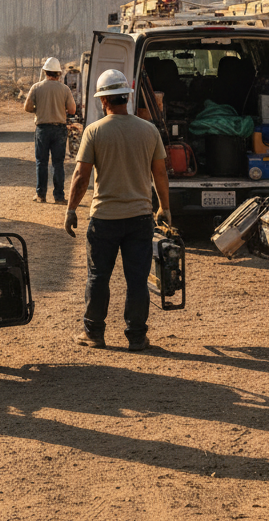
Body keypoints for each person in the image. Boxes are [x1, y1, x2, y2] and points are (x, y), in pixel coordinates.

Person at [65, 68, 171, 351]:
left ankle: (94, 333)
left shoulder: (95, 132)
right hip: (140, 218)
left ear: (103, 101)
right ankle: (136, 337)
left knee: (99, 276)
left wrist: (71, 209)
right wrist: (164, 208)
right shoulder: (149, 130)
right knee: (137, 279)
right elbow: (160, 173)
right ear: (126, 97)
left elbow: (81, 177)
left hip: (105, 219)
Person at [24, 55, 77, 204]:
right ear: (58, 73)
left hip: (42, 129)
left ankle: (41, 195)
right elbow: (72, 110)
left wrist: (39, 110)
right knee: (58, 163)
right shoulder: (65, 89)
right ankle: (59, 196)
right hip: (59, 129)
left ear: (45, 71)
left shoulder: (36, 87)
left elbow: (27, 107)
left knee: (41, 162)